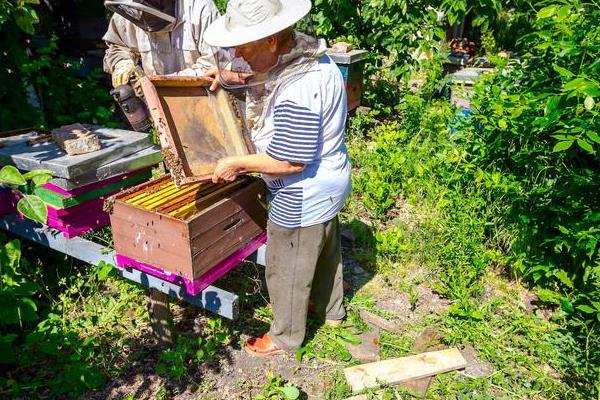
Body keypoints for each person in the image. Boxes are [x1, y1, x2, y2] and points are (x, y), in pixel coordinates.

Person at [204, 0, 352, 357]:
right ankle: (331, 310)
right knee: (325, 247)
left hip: (303, 190)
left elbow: (290, 161)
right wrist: (227, 79)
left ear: (272, 40)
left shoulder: (300, 87)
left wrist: (236, 163)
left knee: (285, 265)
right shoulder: (309, 58)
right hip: (330, 181)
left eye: (246, 44)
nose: (237, 52)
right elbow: (266, 76)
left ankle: (285, 336)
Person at [102, 0, 219, 90]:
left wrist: (159, 83)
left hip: (201, 98)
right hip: (153, 103)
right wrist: (122, 63)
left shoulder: (200, 9)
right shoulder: (131, 7)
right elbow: (118, 45)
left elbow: (213, 67)